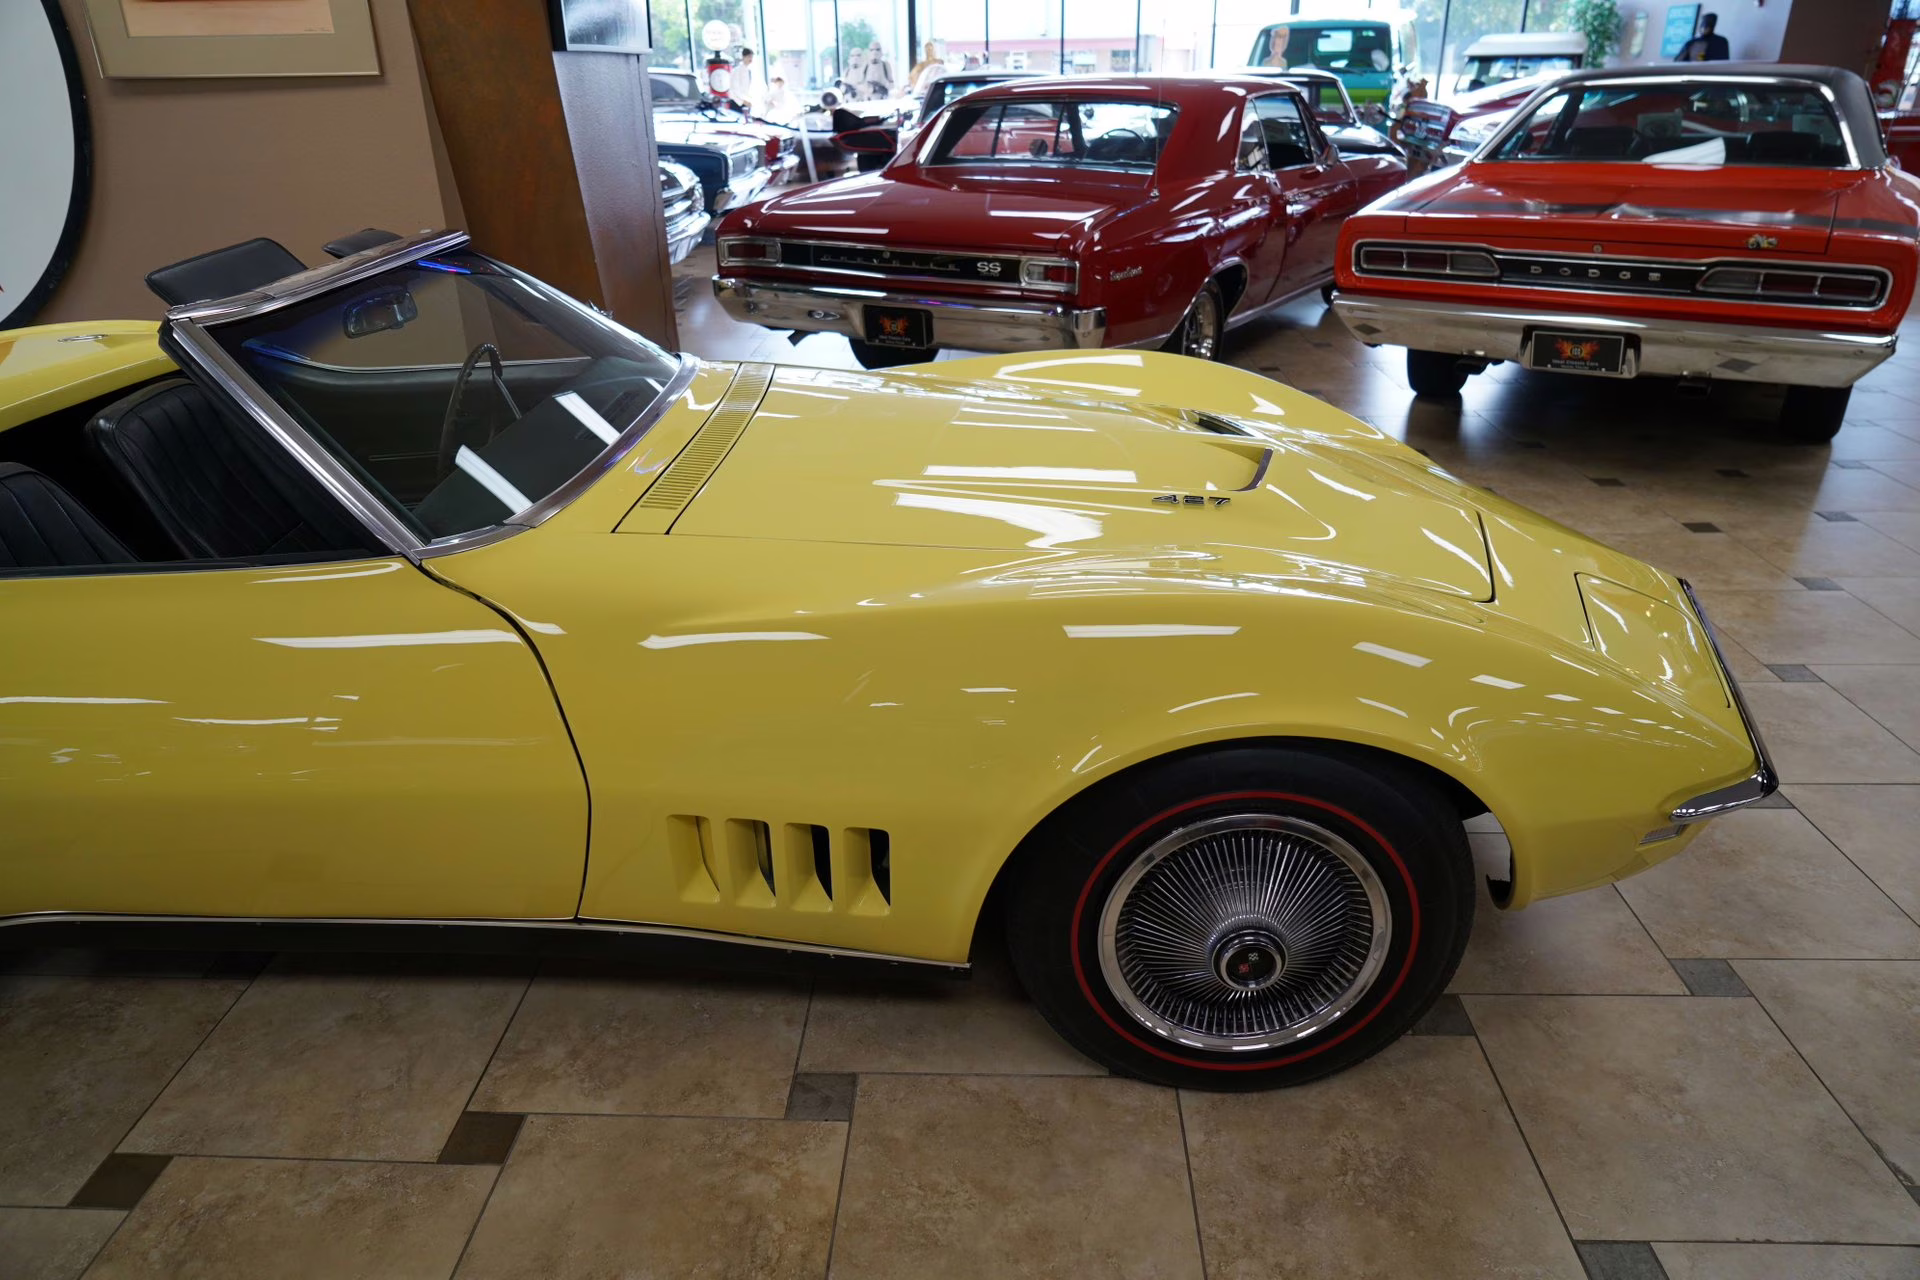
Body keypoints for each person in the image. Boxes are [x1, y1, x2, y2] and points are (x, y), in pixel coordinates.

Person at [732, 46, 763, 113]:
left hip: (747, 102)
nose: (751, 59)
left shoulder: (750, 70)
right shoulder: (737, 70)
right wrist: (743, 101)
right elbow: (735, 88)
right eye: (749, 56)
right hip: (738, 103)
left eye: (752, 57)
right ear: (743, 57)